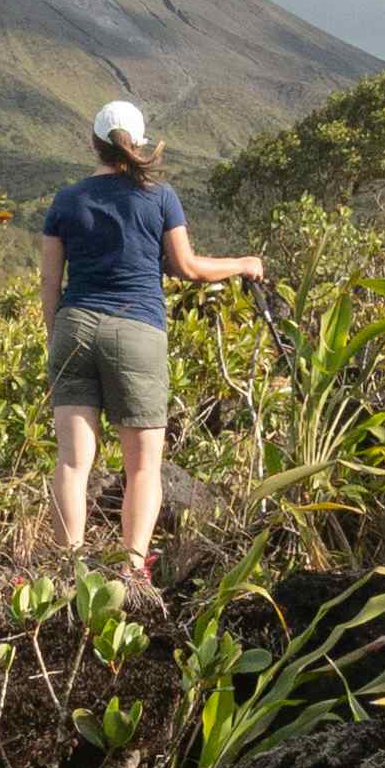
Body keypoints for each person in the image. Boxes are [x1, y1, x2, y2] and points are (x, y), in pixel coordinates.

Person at [34, 98, 261, 594]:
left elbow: (50, 283)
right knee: (143, 466)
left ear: (93, 143)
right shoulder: (159, 197)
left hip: (74, 327)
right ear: (136, 143)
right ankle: (132, 574)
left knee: (73, 462)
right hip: (136, 330)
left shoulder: (66, 200)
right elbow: (189, 269)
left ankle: (68, 577)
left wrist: (59, 337)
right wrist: (244, 263)